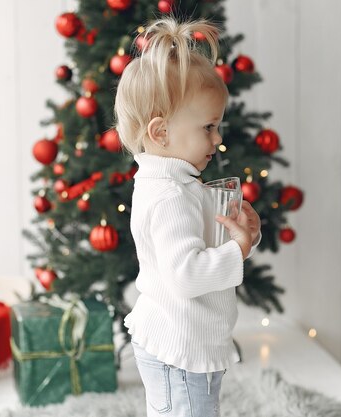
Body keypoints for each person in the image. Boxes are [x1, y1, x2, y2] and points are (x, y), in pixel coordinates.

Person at [114, 17, 262, 417]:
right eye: (209, 127)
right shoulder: (168, 196)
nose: (217, 139)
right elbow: (186, 274)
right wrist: (239, 252)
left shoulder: (177, 182)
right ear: (161, 133)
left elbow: (200, 245)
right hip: (177, 350)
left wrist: (243, 236)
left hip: (183, 342)